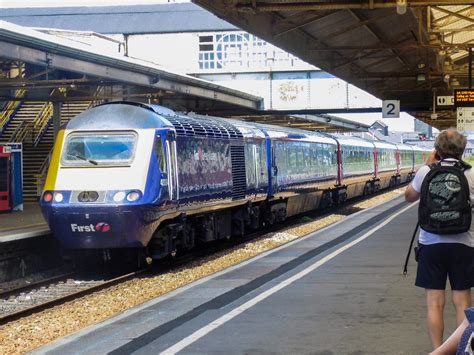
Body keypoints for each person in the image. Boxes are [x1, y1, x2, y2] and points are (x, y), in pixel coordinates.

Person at [405, 129, 474, 350]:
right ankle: (460, 351)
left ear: (437, 150)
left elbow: (409, 196)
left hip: (430, 244)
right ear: (462, 151)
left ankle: (437, 350)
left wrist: (426, 166)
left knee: (435, 303)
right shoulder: (471, 173)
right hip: (463, 244)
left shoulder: (426, 171)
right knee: (462, 304)